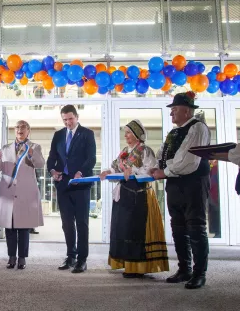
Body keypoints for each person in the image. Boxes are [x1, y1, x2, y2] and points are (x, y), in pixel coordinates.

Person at [150, 91, 211, 289]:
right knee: (178, 228)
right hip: (175, 184)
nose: (171, 114)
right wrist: (157, 168)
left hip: (193, 184)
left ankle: (199, 273)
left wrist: (165, 170)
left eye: (174, 110)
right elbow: (163, 155)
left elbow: (188, 161)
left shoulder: (198, 128)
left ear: (187, 111)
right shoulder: (173, 133)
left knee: (196, 227)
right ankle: (185, 269)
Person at [99, 119, 169, 278]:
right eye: (126, 132)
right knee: (123, 228)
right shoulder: (125, 151)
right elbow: (116, 167)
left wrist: (133, 170)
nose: (126, 136)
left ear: (138, 134)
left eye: (129, 132)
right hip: (124, 194)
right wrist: (107, 171)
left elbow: (150, 171)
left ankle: (137, 267)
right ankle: (126, 263)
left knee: (136, 229)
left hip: (140, 196)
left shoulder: (145, 150)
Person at [47, 104, 96, 273]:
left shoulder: (87, 134)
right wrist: (53, 171)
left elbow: (92, 159)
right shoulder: (58, 135)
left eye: (70, 119)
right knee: (67, 223)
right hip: (63, 185)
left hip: (81, 184)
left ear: (77, 117)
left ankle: (82, 259)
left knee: (82, 223)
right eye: (65, 120)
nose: (68, 122)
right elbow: (51, 158)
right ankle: (71, 256)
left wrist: (81, 173)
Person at [0, 120, 45, 269]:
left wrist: (31, 153)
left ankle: (22, 258)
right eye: (17, 127)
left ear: (28, 131)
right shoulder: (6, 148)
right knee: (9, 227)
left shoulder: (35, 147)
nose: (19, 129)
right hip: (8, 191)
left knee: (23, 227)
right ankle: (11, 257)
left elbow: (41, 164)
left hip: (26, 192)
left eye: (23, 127)